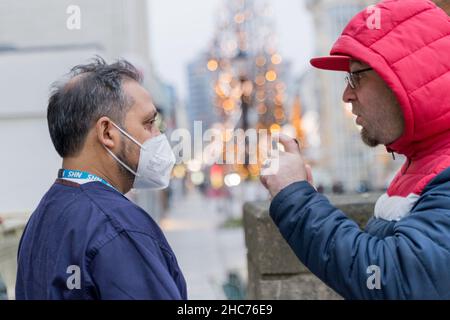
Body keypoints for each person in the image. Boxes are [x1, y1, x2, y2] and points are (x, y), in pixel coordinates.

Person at [260, 0, 450, 299]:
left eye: (356, 76)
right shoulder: (426, 163)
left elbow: (397, 278)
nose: (347, 95)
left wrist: (294, 196)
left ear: (402, 77)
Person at [15, 57, 187, 300]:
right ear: (107, 132)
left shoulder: (40, 218)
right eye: (149, 124)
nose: (159, 136)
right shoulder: (118, 226)